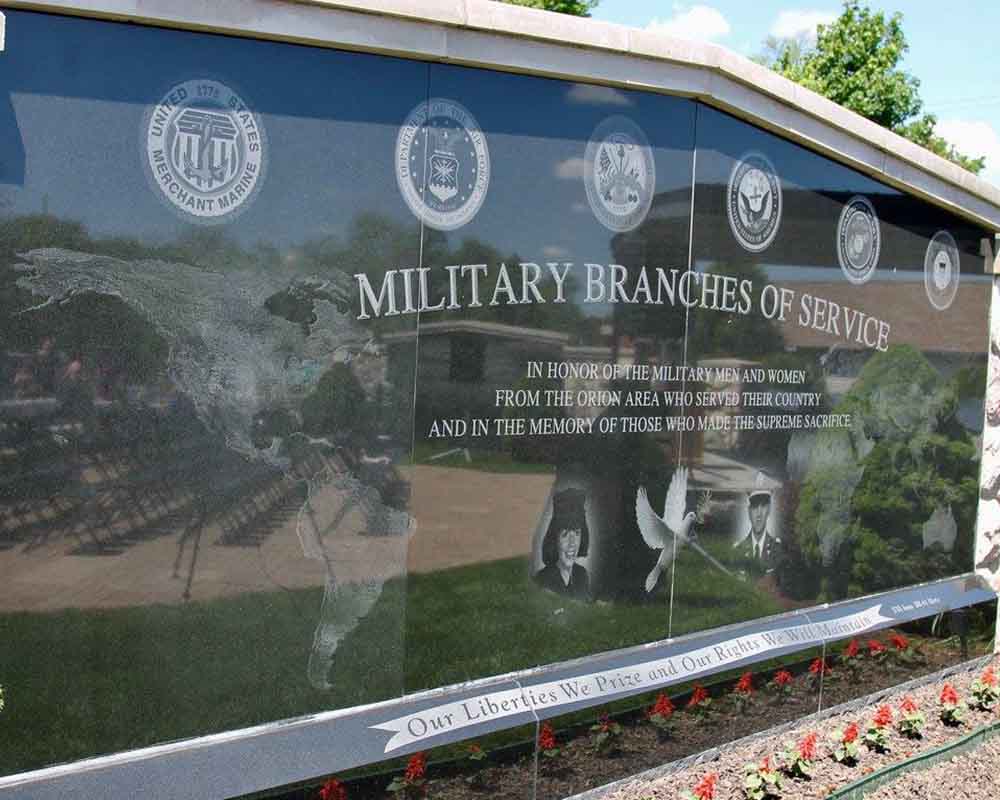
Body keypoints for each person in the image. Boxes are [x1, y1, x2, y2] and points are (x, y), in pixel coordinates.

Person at [534, 488, 591, 600]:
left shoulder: (582, 575)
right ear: (555, 539)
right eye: (565, 534)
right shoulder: (542, 580)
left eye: (577, 533)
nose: (572, 544)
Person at [733, 472, 781, 580]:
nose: (759, 514)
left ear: (769, 510)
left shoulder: (778, 550)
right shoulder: (738, 550)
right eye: (755, 506)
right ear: (749, 511)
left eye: (763, 506)